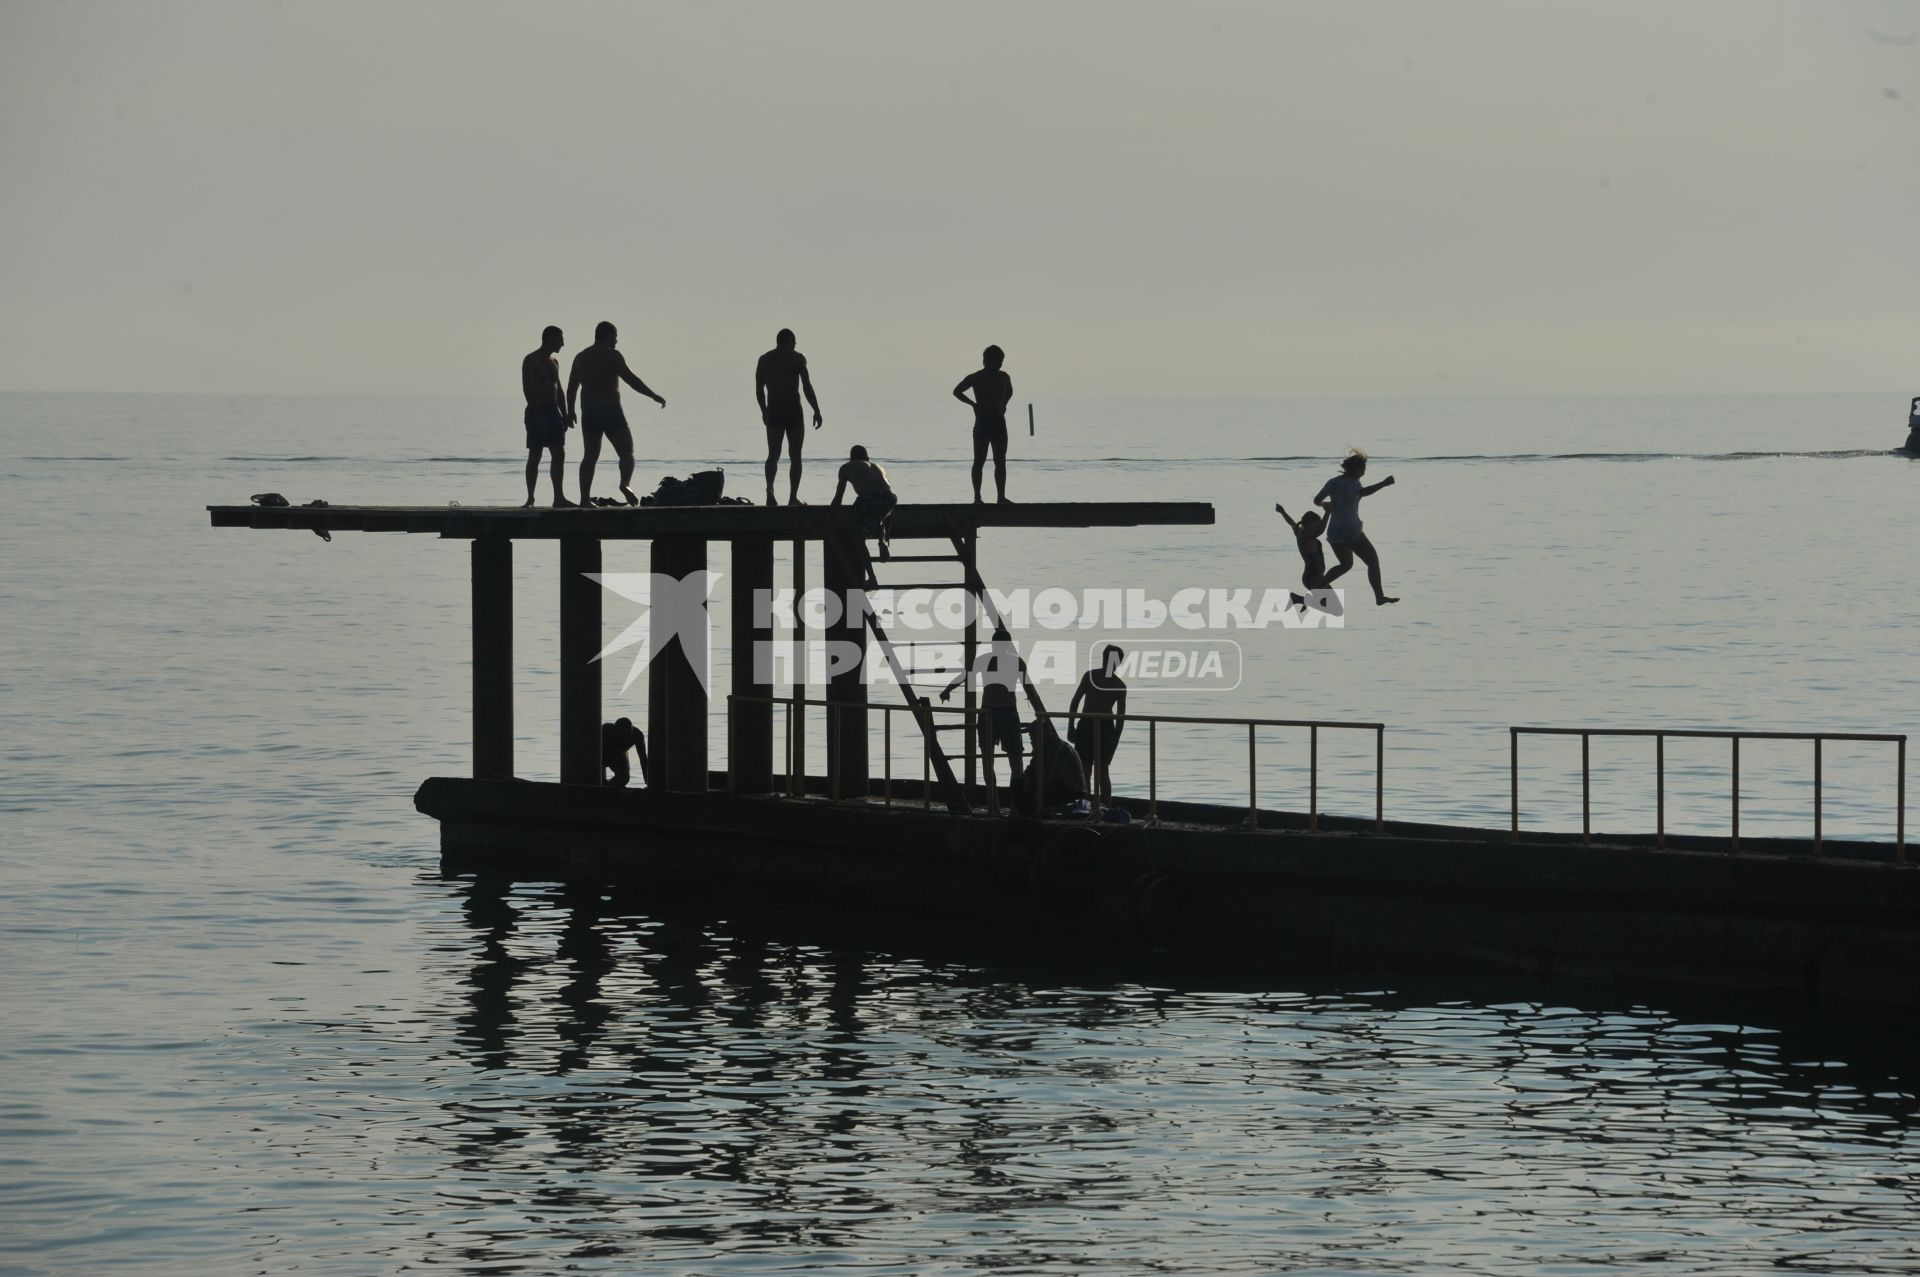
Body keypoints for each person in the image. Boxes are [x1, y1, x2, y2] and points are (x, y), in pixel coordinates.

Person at [567, 321, 666, 506]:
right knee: (627, 452)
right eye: (615, 336)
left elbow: (572, 387)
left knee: (589, 456)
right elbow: (631, 379)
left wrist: (570, 411)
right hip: (610, 409)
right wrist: (653, 395)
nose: (616, 341)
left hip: (588, 411)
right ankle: (624, 484)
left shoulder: (580, 357)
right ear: (607, 335)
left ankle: (584, 499)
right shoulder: (612, 356)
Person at [939, 626, 1026, 813]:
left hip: (993, 712)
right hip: (1001, 712)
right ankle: (1009, 806)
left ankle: (1000, 805)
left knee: (996, 761)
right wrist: (948, 689)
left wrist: (947, 689)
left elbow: (964, 676)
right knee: (1013, 761)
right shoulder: (1014, 661)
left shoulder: (999, 661)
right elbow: (1030, 690)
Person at [1314, 450, 1399, 606]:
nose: (1364, 471)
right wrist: (1384, 483)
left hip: (1334, 532)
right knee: (1373, 561)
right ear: (1355, 469)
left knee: (1346, 564)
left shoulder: (1332, 482)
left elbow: (1316, 500)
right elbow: (1364, 492)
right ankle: (1379, 597)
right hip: (1350, 529)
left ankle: (1318, 588)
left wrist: (1325, 505)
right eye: (1363, 468)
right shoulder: (1353, 482)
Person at [756, 328, 824, 506]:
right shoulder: (797, 358)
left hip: (775, 409)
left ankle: (770, 490)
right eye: (794, 342)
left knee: (773, 454)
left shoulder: (764, 359)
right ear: (789, 341)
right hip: (793, 409)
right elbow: (807, 387)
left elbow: (759, 389)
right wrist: (816, 410)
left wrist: (764, 410)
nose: (795, 345)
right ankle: (792, 498)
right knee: (795, 456)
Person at [520, 325, 575, 508]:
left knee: (559, 453)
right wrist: (537, 413)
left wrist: (565, 413)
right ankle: (530, 498)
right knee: (535, 454)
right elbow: (527, 388)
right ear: (550, 338)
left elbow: (558, 390)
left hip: (553, 411)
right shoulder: (531, 360)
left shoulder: (554, 362)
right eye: (560, 339)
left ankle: (558, 497)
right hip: (537, 409)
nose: (563, 343)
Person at [1067, 643, 1128, 809]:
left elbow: (1120, 717)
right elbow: (1075, 701)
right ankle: (1087, 805)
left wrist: (1115, 738)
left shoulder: (1119, 686)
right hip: (1088, 724)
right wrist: (1070, 725)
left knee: (1101, 771)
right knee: (1087, 769)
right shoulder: (1091, 676)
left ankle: (1105, 807)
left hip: (1104, 728)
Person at [953, 344, 1014, 504]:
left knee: (1000, 461)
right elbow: (957, 391)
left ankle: (1001, 497)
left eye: (1001, 362)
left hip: (999, 423)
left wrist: (1004, 404)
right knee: (979, 461)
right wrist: (973, 404)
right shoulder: (976, 377)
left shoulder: (1004, 377)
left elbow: (1010, 391)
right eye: (996, 362)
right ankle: (977, 498)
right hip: (983, 423)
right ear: (986, 361)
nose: (999, 365)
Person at [1273, 501, 1343, 615]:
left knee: (1337, 609)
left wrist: (1282, 512)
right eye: (1316, 524)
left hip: (1318, 577)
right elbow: (1320, 530)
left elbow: (1291, 523)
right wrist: (1328, 513)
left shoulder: (1300, 531)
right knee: (1336, 610)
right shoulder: (1305, 537)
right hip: (1313, 578)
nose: (1318, 527)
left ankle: (1297, 599)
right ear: (1309, 524)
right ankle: (1297, 599)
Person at [830, 444, 897, 558]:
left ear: (851, 459)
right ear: (868, 459)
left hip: (869, 499)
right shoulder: (878, 467)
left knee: (858, 535)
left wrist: (832, 515)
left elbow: (838, 498)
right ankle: (882, 542)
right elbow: (884, 492)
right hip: (890, 498)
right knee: (880, 514)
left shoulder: (846, 467)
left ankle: (870, 574)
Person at [601, 717, 650, 787]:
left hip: (619, 754)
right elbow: (594, 755)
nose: (626, 740)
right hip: (603, 753)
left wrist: (648, 782)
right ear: (615, 731)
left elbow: (643, 758)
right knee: (599, 780)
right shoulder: (604, 731)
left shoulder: (637, 735)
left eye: (628, 736)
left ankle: (610, 788)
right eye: (623, 736)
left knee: (624, 778)